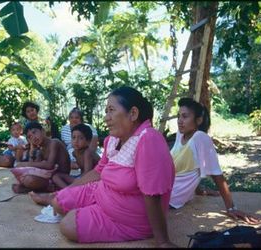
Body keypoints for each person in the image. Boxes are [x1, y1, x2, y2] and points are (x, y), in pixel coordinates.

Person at [29, 86, 176, 247]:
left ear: (133, 113)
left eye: (111, 110)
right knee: (59, 201)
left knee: (68, 226)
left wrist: (163, 242)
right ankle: (69, 200)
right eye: (106, 111)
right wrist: (65, 191)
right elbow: (98, 171)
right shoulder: (113, 139)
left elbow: (152, 195)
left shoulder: (148, 139)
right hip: (100, 192)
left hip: (128, 217)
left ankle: (90, 210)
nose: (106, 117)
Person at [169, 97, 260, 225]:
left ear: (198, 120)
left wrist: (231, 208)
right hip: (163, 186)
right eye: (178, 116)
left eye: (185, 117)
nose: (180, 121)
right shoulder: (180, 135)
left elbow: (217, 176)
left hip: (170, 197)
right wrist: (199, 190)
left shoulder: (201, 138)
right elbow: (187, 167)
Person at [11, 121, 70, 194]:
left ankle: (46, 188)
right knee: (25, 179)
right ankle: (44, 188)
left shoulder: (54, 142)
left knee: (29, 180)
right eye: (30, 137)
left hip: (61, 177)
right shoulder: (41, 149)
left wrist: (25, 164)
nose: (33, 137)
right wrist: (32, 151)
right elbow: (35, 168)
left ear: (43, 131)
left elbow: (49, 165)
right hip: (50, 177)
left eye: (34, 132)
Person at [52, 123, 101, 189]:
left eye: (80, 138)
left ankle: (69, 191)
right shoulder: (74, 153)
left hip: (92, 180)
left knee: (76, 181)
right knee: (56, 176)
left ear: (88, 141)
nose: (76, 141)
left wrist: (77, 181)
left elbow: (87, 173)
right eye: (73, 137)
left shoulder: (87, 152)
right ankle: (68, 190)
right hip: (81, 177)